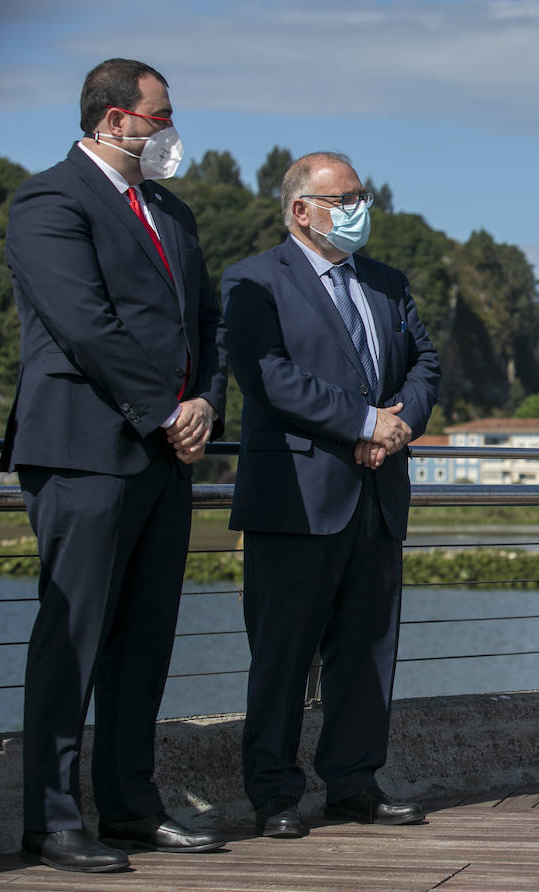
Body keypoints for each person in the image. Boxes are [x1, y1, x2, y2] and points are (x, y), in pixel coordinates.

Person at [1, 58, 227, 872]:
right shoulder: (49, 199)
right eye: (159, 114)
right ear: (113, 117)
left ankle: (131, 805)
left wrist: (204, 401)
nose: (169, 129)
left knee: (146, 640)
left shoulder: (170, 210)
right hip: (84, 448)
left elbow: (207, 322)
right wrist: (167, 409)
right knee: (75, 637)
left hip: (166, 454)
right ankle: (54, 820)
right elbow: (84, 325)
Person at [222, 151, 441, 840]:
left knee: (368, 650)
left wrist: (396, 422)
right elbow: (269, 380)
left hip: (377, 492)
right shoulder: (252, 279)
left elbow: (426, 364)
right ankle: (275, 793)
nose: (358, 208)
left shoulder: (386, 281)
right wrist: (359, 422)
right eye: (343, 198)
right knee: (283, 655)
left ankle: (354, 783)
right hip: (296, 495)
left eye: (360, 194)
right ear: (300, 210)